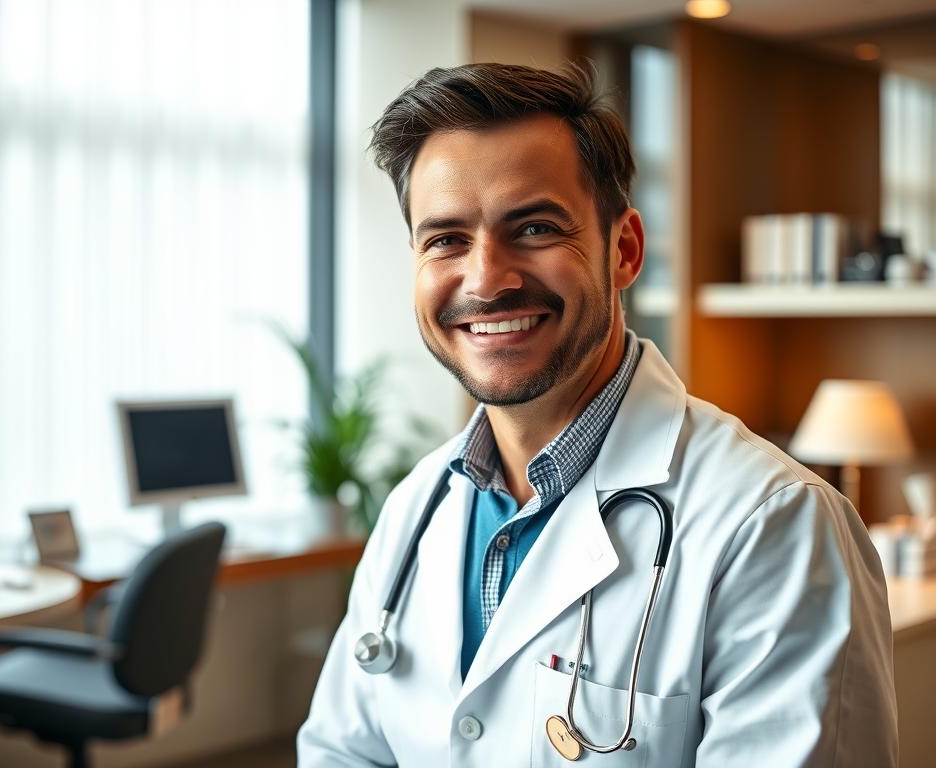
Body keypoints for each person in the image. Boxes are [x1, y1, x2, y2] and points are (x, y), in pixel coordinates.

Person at [297, 63, 897, 766]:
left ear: (625, 250)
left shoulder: (774, 526)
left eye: (534, 227)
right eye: (446, 239)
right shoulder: (416, 508)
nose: (486, 278)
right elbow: (342, 751)